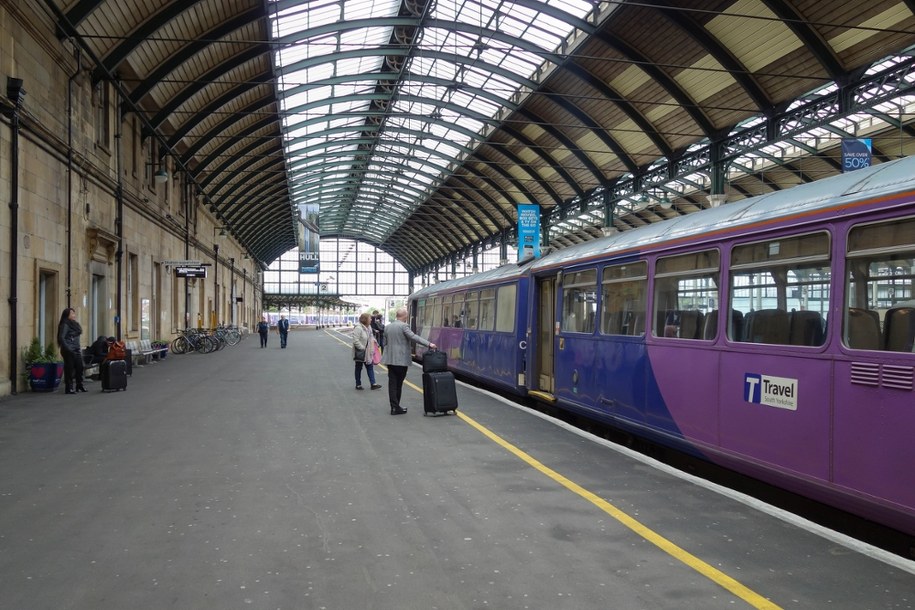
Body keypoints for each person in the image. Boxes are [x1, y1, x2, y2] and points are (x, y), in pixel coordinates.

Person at [382, 307, 435, 415]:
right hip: (401, 360)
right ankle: (396, 407)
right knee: (398, 384)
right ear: (404, 316)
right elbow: (413, 337)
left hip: (390, 359)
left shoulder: (387, 327)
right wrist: (429, 344)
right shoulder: (404, 326)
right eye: (406, 315)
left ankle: (394, 407)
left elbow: (385, 343)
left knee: (392, 384)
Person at [57, 307, 86, 394]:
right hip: (68, 350)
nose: (74, 315)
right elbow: (61, 337)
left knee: (80, 367)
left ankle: (79, 385)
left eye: (74, 313)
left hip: (76, 349)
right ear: (67, 315)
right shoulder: (65, 324)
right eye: (72, 313)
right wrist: (68, 348)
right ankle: (69, 388)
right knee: (69, 369)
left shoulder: (75, 324)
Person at [352, 313, 382, 391]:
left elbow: (371, 337)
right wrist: (362, 348)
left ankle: (373, 384)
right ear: (365, 319)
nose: (371, 319)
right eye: (370, 318)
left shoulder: (369, 327)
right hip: (360, 352)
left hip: (368, 352)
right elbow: (355, 340)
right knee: (359, 368)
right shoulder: (358, 328)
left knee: (370, 366)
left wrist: (375, 343)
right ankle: (358, 384)